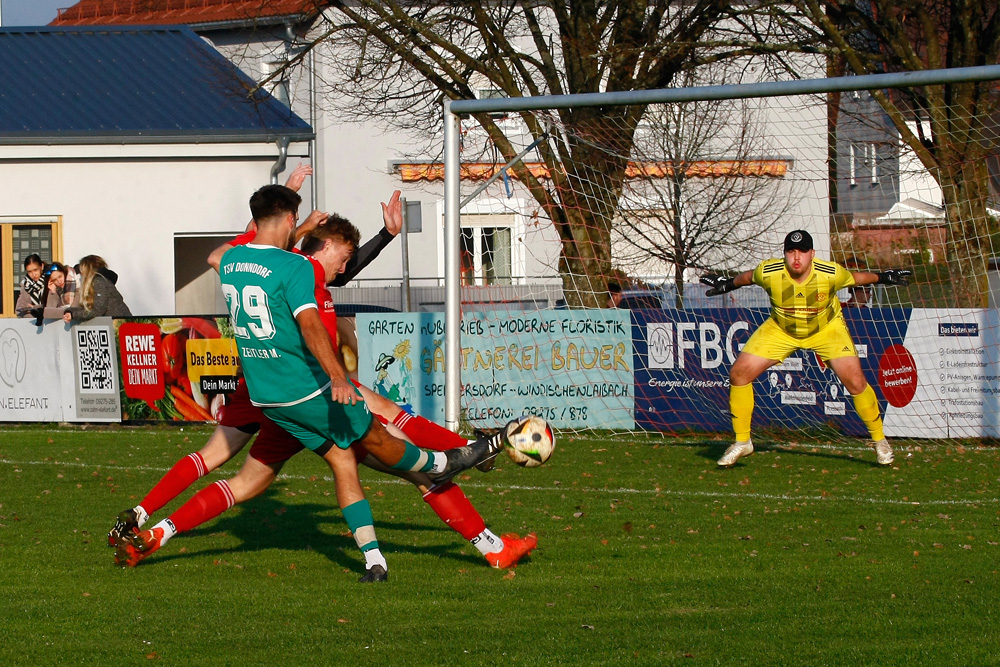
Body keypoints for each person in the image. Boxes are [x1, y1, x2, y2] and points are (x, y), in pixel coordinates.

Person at [112, 191, 531, 575]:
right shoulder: (300, 269)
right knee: (399, 448)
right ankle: (470, 487)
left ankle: (155, 531)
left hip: (272, 396)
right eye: (343, 257)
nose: (345, 269)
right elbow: (312, 320)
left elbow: (231, 254)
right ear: (321, 246)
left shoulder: (282, 265)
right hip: (310, 390)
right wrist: (339, 378)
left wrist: (380, 234)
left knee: (249, 477)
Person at [700, 229, 911, 467]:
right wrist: (727, 283)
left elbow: (857, 278)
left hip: (827, 330)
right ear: (784, 254)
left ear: (812, 254)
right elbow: (748, 277)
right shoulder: (769, 272)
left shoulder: (830, 273)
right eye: (791, 251)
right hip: (781, 330)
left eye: (802, 251)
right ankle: (742, 442)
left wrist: (883, 277)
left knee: (856, 382)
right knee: (739, 374)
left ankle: (880, 441)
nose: (796, 257)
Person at [63, 255, 132, 322]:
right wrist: (71, 311)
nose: (81, 274)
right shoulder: (98, 282)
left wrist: (73, 314)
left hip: (121, 325)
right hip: (116, 323)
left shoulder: (99, 281)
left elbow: (98, 310)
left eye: (82, 271)